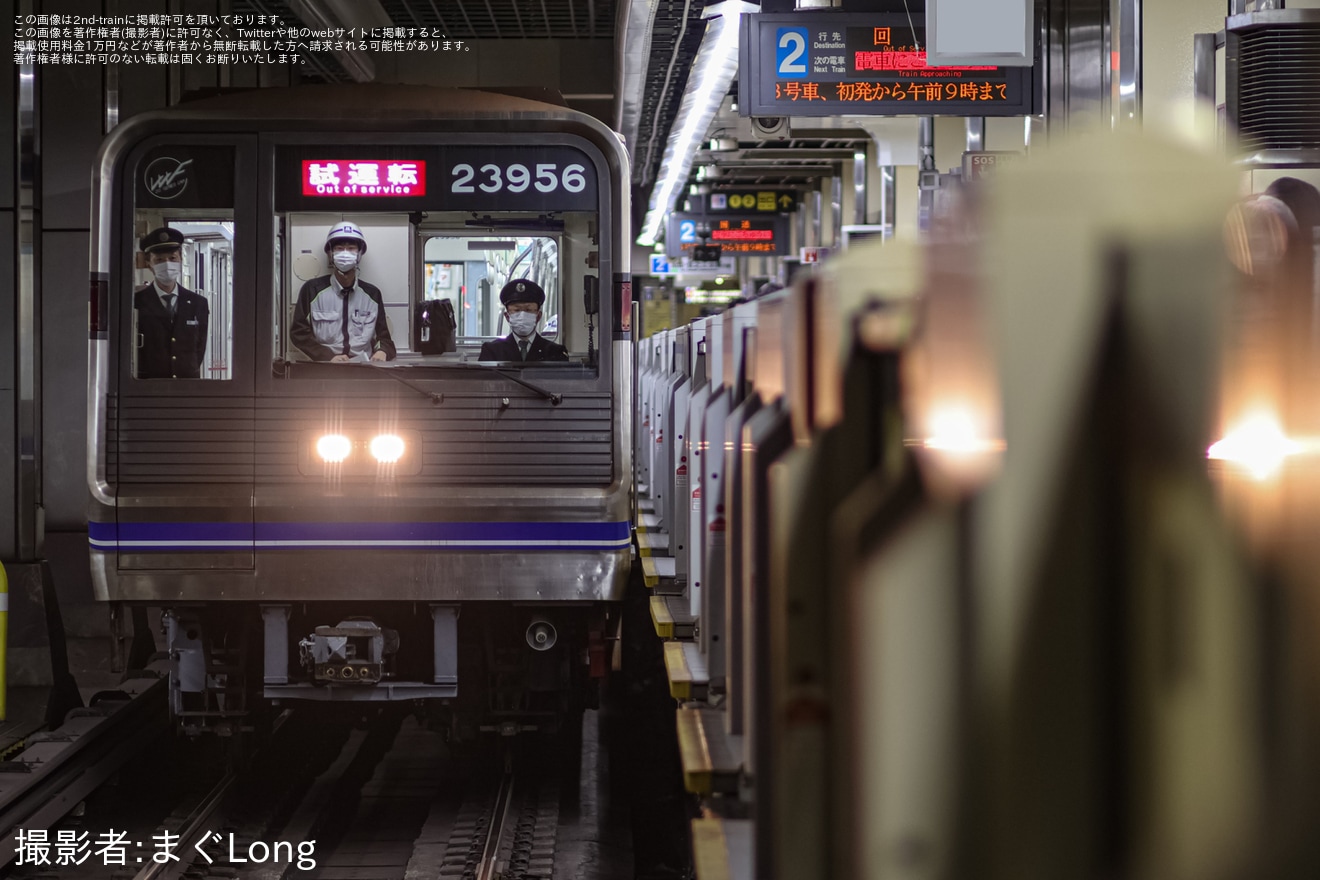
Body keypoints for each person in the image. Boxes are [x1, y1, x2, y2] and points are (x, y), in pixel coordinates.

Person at [290, 221, 397, 363]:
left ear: (359, 254)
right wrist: (327, 356)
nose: (345, 253)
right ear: (330, 254)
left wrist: (382, 351)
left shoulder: (372, 294)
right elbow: (299, 334)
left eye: (351, 248)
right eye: (339, 248)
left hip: (364, 369)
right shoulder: (311, 290)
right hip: (325, 368)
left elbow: (385, 339)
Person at [134, 226, 209, 379]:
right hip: (148, 388)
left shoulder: (198, 303)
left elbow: (199, 348)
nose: (167, 264)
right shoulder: (136, 302)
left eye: (172, 258)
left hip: (186, 386)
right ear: (149, 263)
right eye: (159, 260)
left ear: (181, 259)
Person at [478, 279, 569, 362]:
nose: (522, 315)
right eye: (517, 310)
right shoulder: (492, 351)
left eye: (528, 310)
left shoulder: (555, 352)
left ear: (538, 316)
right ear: (507, 316)